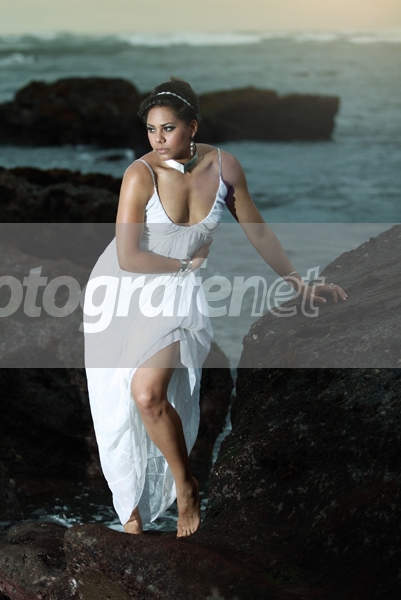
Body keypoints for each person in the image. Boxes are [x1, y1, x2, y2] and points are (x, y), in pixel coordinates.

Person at [83, 78, 346, 539]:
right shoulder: (139, 175)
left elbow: (256, 228)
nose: (158, 139)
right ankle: (131, 514)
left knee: (146, 395)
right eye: (150, 130)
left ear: (193, 127)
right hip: (122, 289)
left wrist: (299, 283)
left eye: (168, 128)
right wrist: (185, 263)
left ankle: (185, 486)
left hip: (173, 293)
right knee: (116, 400)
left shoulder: (225, 168)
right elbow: (127, 256)